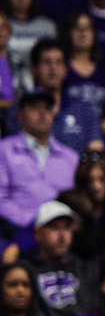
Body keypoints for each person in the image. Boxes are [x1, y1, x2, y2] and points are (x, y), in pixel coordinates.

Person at [0, 92, 78, 236]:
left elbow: (78, 201)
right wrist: (35, 225)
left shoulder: (70, 157)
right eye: (35, 108)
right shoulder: (3, 151)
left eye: (47, 108)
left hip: (63, 233)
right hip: (17, 231)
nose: (43, 113)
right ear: (19, 115)